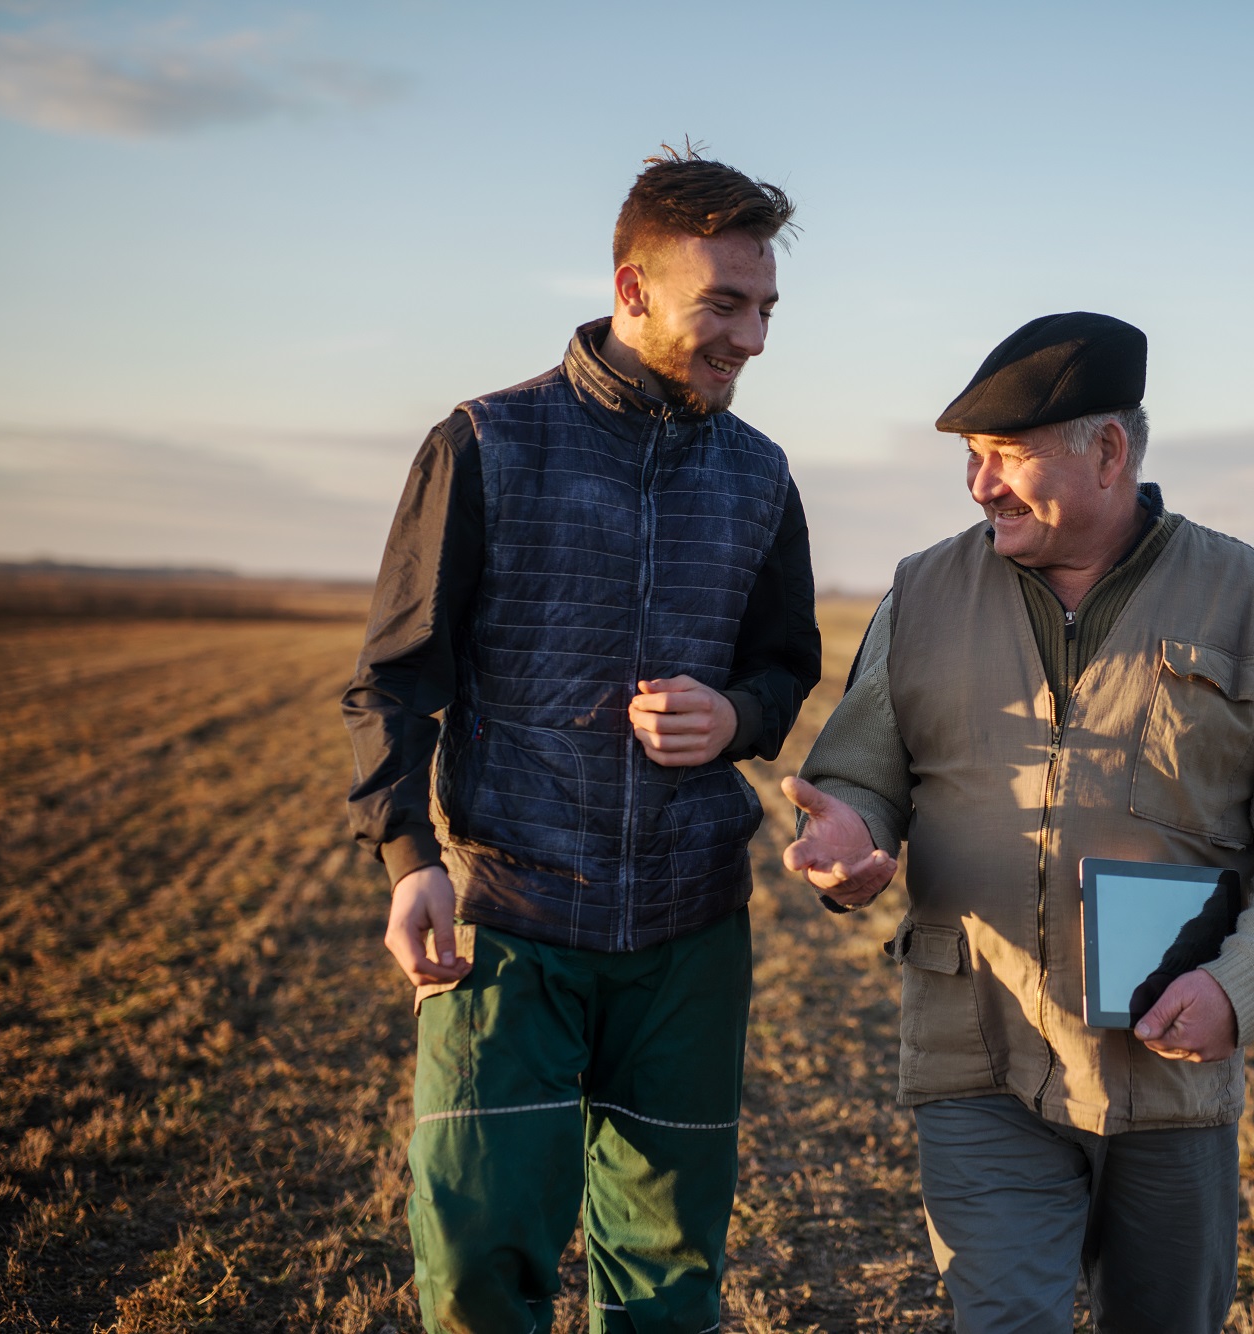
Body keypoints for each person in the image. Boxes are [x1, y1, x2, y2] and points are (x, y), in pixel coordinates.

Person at [781, 312, 1254, 1333]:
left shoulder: (1250, 600)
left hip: (1169, 1062)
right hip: (976, 1048)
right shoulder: (921, 594)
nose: (979, 486)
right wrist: (847, 840)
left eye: (1006, 456)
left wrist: (1241, 986)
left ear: (1107, 451)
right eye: (971, 459)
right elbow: (860, 773)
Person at [342, 149, 820, 1334]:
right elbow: (396, 679)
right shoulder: (484, 445)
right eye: (724, 303)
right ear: (632, 286)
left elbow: (784, 665)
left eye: (764, 308)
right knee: (475, 1272)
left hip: (689, 935)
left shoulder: (761, 477)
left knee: (667, 1285)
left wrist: (738, 718)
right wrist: (410, 860)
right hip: (511, 925)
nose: (752, 337)